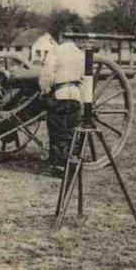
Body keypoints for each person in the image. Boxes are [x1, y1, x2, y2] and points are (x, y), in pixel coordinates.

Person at [38, 31, 84, 174]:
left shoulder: (55, 50)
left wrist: (44, 92)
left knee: (58, 132)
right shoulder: (80, 54)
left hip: (60, 94)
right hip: (75, 95)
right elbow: (83, 77)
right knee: (71, 131)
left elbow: (47, 75)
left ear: (61, 37)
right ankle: (72, 165)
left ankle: (58, 167)